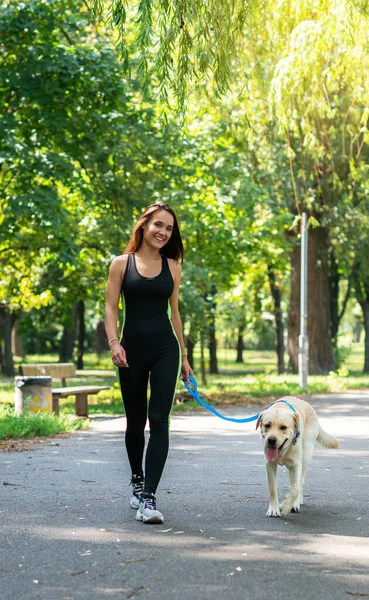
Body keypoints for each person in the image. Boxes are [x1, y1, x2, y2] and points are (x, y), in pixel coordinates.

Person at [105, 203, 193, 524]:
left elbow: (175, 313)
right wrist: (114, 343)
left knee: (159, 419)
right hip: (130, 351)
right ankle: (137, 480)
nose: (163, 232)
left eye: (169, 229)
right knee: (135, 420)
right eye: (159, 225)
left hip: (165, 349)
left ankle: (149, 497)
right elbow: (111, 308)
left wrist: (184, 355)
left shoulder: (174, 268)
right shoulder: (121, 264)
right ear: (144, 225)